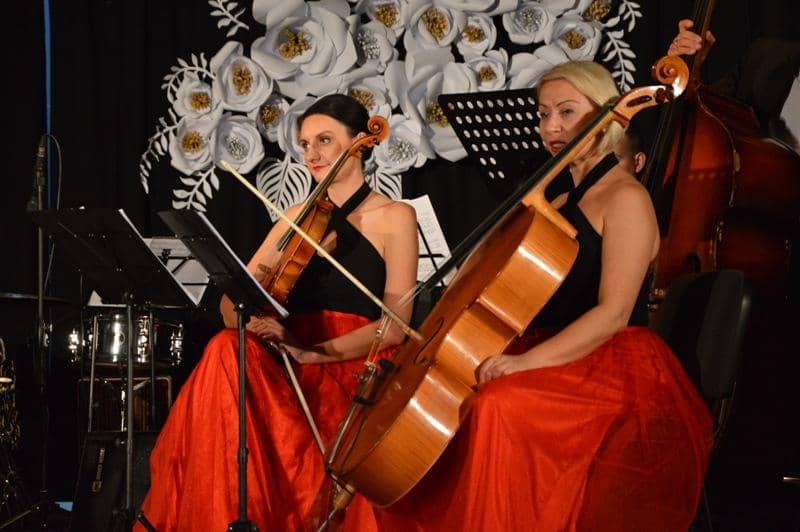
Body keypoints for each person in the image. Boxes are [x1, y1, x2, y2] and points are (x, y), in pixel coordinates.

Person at [364, 61, 713, 531]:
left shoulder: (625, 197)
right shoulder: (554, 199)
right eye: (544, 114)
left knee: (497, 405)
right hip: (548, 352)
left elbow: (613, 313)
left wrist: (526, 364)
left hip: (602, 361)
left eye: (567, 112)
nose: (551, 127)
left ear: (607, 114)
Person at [135, 94, 418, 531]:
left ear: (360, 142)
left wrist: (315, 353)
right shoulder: (295, 217)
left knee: (227, 354)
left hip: (349, 361)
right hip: (289, 358)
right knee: (226, 347)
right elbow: (234, 303)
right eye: (305, 144)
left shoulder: (395, 216)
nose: (312, 154)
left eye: (325, 140)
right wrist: (247, 310)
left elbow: (395, 327)